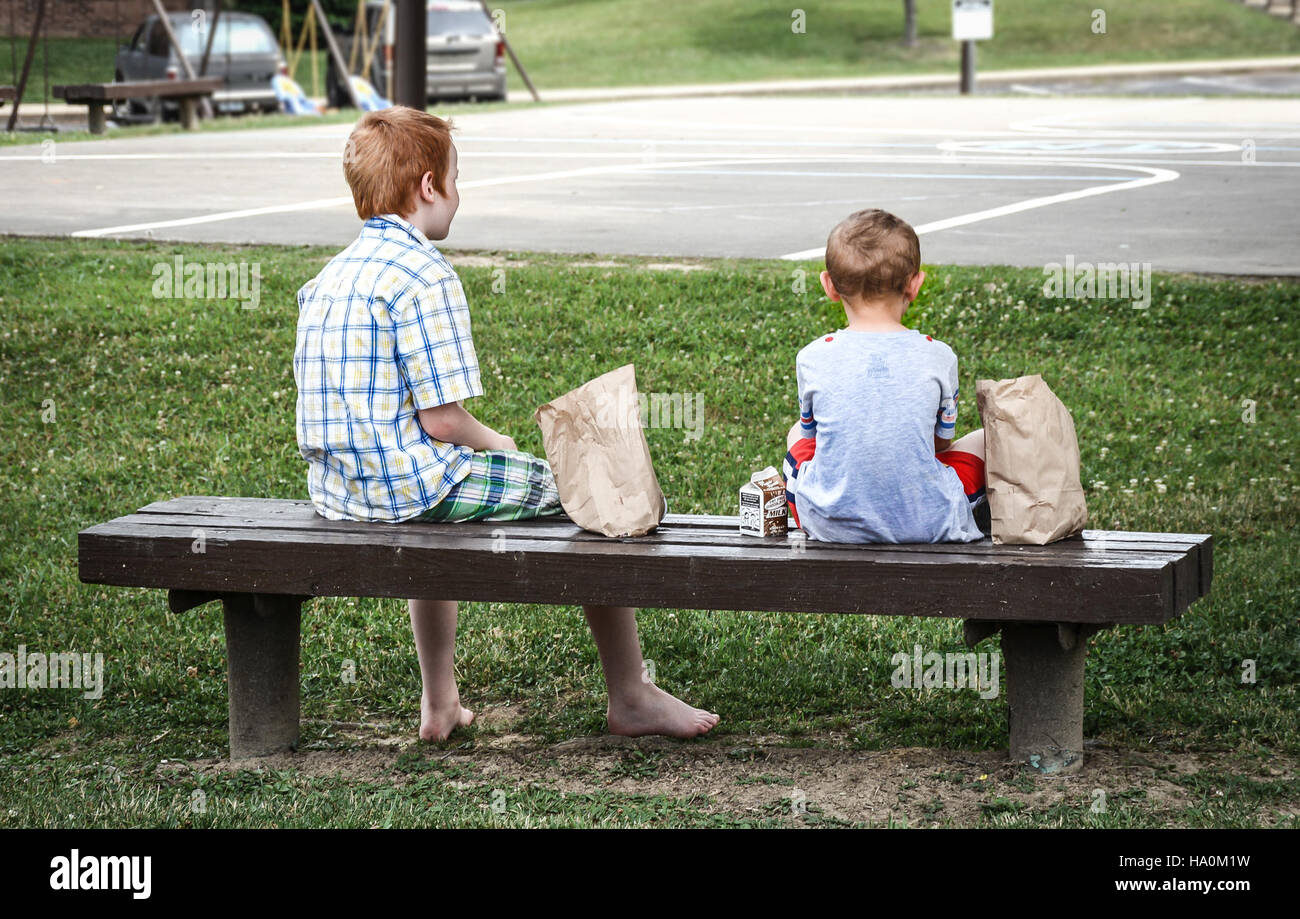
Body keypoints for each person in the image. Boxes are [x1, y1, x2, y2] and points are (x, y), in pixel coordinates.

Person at [294, 107, 719, 741]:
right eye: (457, 182)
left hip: (339, 494)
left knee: (438, 521)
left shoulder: (326, 279)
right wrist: (498, 444)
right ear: (430, 186)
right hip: (413, 487)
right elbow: (441, 422)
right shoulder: (424, 275)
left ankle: (439, 703)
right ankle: (630, 693)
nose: (458, 199)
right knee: (589, 491)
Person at [784, 208, 989, 544]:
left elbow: (813, 437)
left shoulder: (812, 357)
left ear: (829, 286)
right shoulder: (938, 355)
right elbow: (942, 443)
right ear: (915, 284)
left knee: (797, 434)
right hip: (928, 522)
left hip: (830, 524)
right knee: (985, 437)